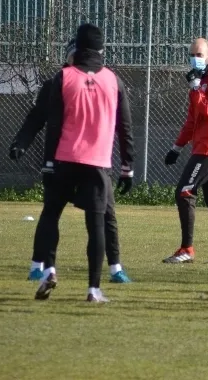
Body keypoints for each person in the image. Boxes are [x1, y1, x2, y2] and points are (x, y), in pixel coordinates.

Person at [9, 38, 132, 284]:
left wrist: (126, 163)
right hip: (63, 161)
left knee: (106, 213)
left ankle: (115, 267)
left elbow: (121, 123)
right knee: (51, 212)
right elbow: (38, 118)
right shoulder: (58, 82)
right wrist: (21, 143)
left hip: (94, 162)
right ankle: (39, 265)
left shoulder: (105, 81)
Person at [34, 24, 135, 303]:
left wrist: (49, 162)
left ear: (76, 48)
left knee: (51, 215)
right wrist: (128, 166)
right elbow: (125, 127)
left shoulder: (64, 76)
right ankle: (93, 289)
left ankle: (49, 270)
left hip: (65, 158)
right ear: (102, 50)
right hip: (97, 163)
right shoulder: (114, 80)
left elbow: (53, 124)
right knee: (96, 224)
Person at [163, 38, 208, 264]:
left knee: (185, 192)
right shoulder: (199, 82)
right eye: (192, 54)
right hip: (203, 147)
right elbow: (192, 120)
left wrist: (196, 89)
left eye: (200, 54)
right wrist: (177, 147)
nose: (195, 58)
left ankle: (187, 249)